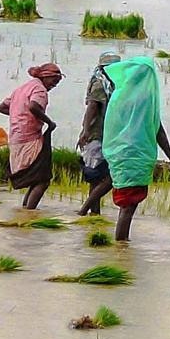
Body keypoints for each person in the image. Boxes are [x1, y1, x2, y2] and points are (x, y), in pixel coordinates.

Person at [101, 56, 170, 242]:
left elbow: (111, 125)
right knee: (128, 206)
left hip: (119, 155)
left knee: (125, 202)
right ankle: (121, 246)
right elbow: (157, 130)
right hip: (137, 155)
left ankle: (121, 243)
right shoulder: (145, 98)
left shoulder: (119, 95)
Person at [0, 64, 62, 209]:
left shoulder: (21, 89)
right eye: (54, 81)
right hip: (29, 137)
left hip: (16, 138)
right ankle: (29, 212)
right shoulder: (39, 89)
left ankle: (26, 210)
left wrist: (18, 114)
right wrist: (49, 122)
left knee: (36, 177)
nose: (54, 85)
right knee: (42, 179)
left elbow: (2, 107)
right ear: (45, 77)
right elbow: (33, 106)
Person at [77, 52, 121, 216]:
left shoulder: (110, 83)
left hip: (108, 134)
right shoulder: (101, 83)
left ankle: (93, 212)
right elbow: (93, 107)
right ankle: (88, 211)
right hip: (98, 134)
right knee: (100, 176)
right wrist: (86, 131)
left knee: (97, 176)